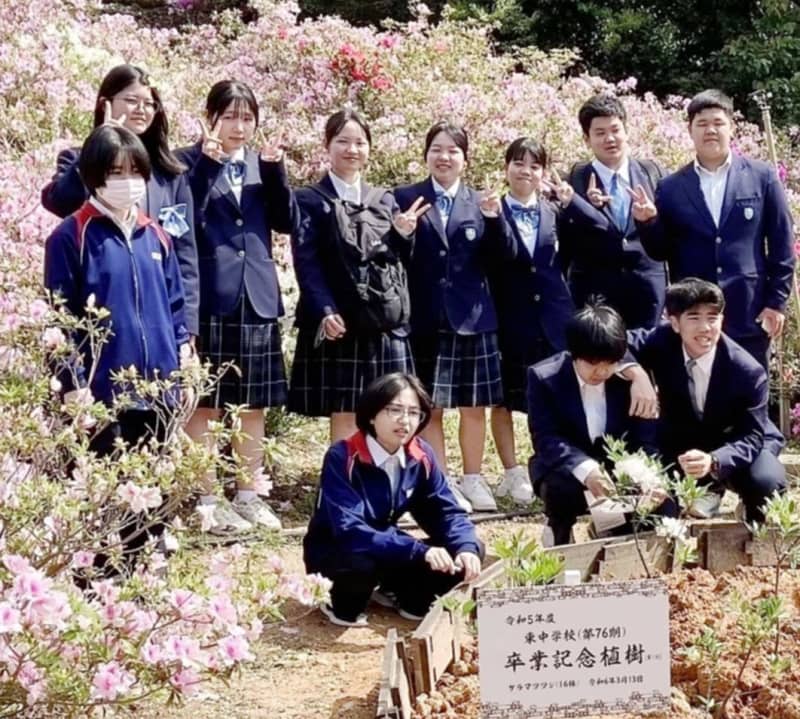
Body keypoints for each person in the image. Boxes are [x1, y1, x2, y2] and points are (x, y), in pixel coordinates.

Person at [44, 124, 190, 570]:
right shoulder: (71, 236)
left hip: (158, 393)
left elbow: (175, 308)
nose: (127, 180)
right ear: (92, 175)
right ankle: (100, 589)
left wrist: (184, 361)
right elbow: (59, 319)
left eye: (134, 170)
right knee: (105, 501)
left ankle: (144, 585)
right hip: (102, 396)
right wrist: (72, 385)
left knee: (151, 496)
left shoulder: (157, 236)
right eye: (114, 171)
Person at [177, 80, 297, 533]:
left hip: (258, 294)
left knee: (253, 403)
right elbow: (189, 217)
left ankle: (248, 494)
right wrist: (209, 164)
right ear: (210, 117)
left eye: (247, 118)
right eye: (229, 116)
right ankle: (208, 497)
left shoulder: (260, 165)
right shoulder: (188, 162)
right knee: (204, 404)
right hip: (211, 295)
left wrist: (276, 171)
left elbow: (286, 221)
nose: (239, 126)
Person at [394, 121, 515, 513]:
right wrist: (402, 232)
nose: (444, 157)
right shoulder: (406, 197)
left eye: (452, 151)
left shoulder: (481, 202)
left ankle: (474, 477)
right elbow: (393, 256)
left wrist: (495, 220)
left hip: (473, 317)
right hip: (425, 317)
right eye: (437, 149)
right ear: (426, 154)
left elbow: (504, 259)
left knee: (474, 405)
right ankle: (439, 481)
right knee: (431, 406)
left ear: (465, 159)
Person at [631, 89, 795, 370]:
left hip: (749, 311)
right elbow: (660, 251)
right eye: (702, 123)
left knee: (749, 398)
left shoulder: (761, 176)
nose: (711, 130)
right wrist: (648, 221)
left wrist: (776, 302)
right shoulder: (671, 187)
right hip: (694, 319)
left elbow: (782, 244)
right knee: (697, 402)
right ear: (690, 130)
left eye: (718, 123)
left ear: (731, 127)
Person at [304, 372, 483, 627]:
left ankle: (404, 596)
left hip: (388, 547)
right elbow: (350, 530)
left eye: (414, 412)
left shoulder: (421, 455)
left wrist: (466, 547)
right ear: (371, 414)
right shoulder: (342, 457)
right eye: (394, 410)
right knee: (358, 571)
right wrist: (418, 550)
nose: (405, 420)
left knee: (467, 551)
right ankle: (337, 600)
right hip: (340, 552)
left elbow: (445, 512)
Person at [289, 109, 425, 443]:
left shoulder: (384, 198)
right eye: (343, 141)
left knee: (389, 406)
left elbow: (394, 262)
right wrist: (324, 310)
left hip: (380, 319)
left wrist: (403, 234)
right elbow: (306, 262)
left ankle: (382, 483)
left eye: (360, 142)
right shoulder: (308, 199)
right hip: (340, 320)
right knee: (346, 409)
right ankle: (344, 485)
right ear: (327, 145)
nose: (352, 149)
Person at [41, 63, 200, 339]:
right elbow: (59, 202)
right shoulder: (77, 158)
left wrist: (187, 328)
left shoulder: (170, 173)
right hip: (103, 312)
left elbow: (185, 256)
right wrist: (97, 148)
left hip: (158, 317)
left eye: (149, 103)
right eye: (131, 100)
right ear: (106, 103)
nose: (141, 109)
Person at [489, 136, 607, 505]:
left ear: (544, 172)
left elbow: (600, 231)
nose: (526, 172)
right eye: (518, 163)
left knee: (558, 395)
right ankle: (511, 472)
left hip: (556, 318)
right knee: (505, 399)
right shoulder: (492, 210)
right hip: (511, 317)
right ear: (506, 167)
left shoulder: (555, 211)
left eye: (534, 166)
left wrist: (573, 200)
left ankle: (553, 461)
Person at [628, 278, 786, 521]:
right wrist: (636, 373)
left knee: (766, 481)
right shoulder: (660, 341)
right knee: (652, 498)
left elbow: (752, 437)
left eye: (713, 318)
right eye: (694, 318)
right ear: (674, 323)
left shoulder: (747, 370)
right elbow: (617, 343)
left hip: (736, 440)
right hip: (683, 440)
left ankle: (752, 524)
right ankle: (703, 495)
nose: (705, 328)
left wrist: (714, 461)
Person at [527, 303, 676, 546]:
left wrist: (650, 476)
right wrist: (587, 471)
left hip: (623, 467)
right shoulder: (545, 378)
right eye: (593, 363)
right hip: (569, 467)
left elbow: (646, 439)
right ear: (575, 355)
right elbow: (546, 438)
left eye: (610, 363)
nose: (602, 371)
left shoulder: (631, 383)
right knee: (560, 487)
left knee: (665, 502)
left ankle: (617, 533)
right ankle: (559, 531)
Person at [564, 94, 667, 330]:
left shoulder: (654, 174)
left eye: (615, 130)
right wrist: (584, 207)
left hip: (648, 295)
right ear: (586, 139)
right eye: (600, 133)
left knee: (648, 365)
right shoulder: (573, 182)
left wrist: (650, 220)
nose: (610, 139)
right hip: (596, 300)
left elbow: (668, 239)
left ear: (626, 131)